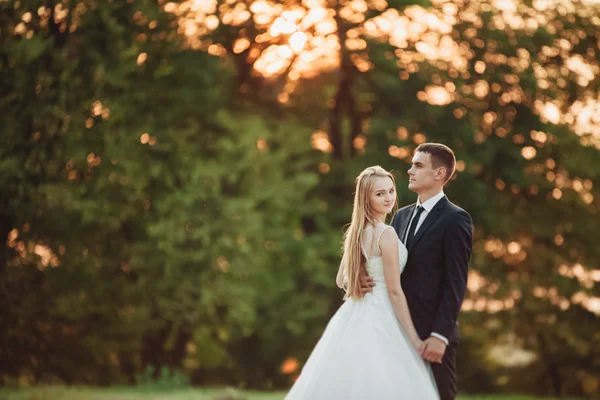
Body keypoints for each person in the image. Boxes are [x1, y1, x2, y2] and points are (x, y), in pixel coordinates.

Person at [285, 166, 439, 400]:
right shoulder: (385, 234)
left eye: (391, 191)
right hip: (382, 313)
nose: (388, 198)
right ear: (366, 198)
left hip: (355, 312)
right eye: (380, 194)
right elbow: (395, 291)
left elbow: (340, 280)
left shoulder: (356, 232)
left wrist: (356, 280)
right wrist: (415, 338)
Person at [387, 142, 473, 400]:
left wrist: (440, 335)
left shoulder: (455, 219)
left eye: (418, 165)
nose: (410, 171)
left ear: (439, 174)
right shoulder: (400, 216)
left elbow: (455, 282)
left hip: (432, 335)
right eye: (412, 164)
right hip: (396, 328)